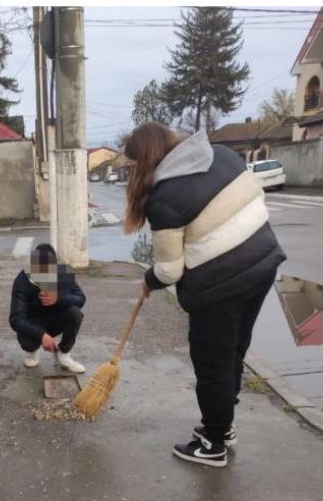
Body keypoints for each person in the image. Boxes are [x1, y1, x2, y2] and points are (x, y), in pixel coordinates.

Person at [121, 123, 285, 468]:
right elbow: (252, 202)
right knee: (233, 353)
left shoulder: (165, 195)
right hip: (263, 264)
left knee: (212, 363)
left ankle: (212, 445)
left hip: (220, 285)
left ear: (146, 159)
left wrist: (149, 280)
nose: (131, 173)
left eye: (133, 166)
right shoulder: (224, 156)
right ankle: (222, 428)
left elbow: (169, 270)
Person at [9, 244, 87, 374]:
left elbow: (81, 298)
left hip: (56, 317)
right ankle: (33, 352)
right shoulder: (22, 281)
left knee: (75, 313)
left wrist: (59, 298)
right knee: (27, 342)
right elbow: (15, 319)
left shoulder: (63, 273)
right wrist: (41, 335)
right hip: (34, 321)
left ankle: (63, 354)